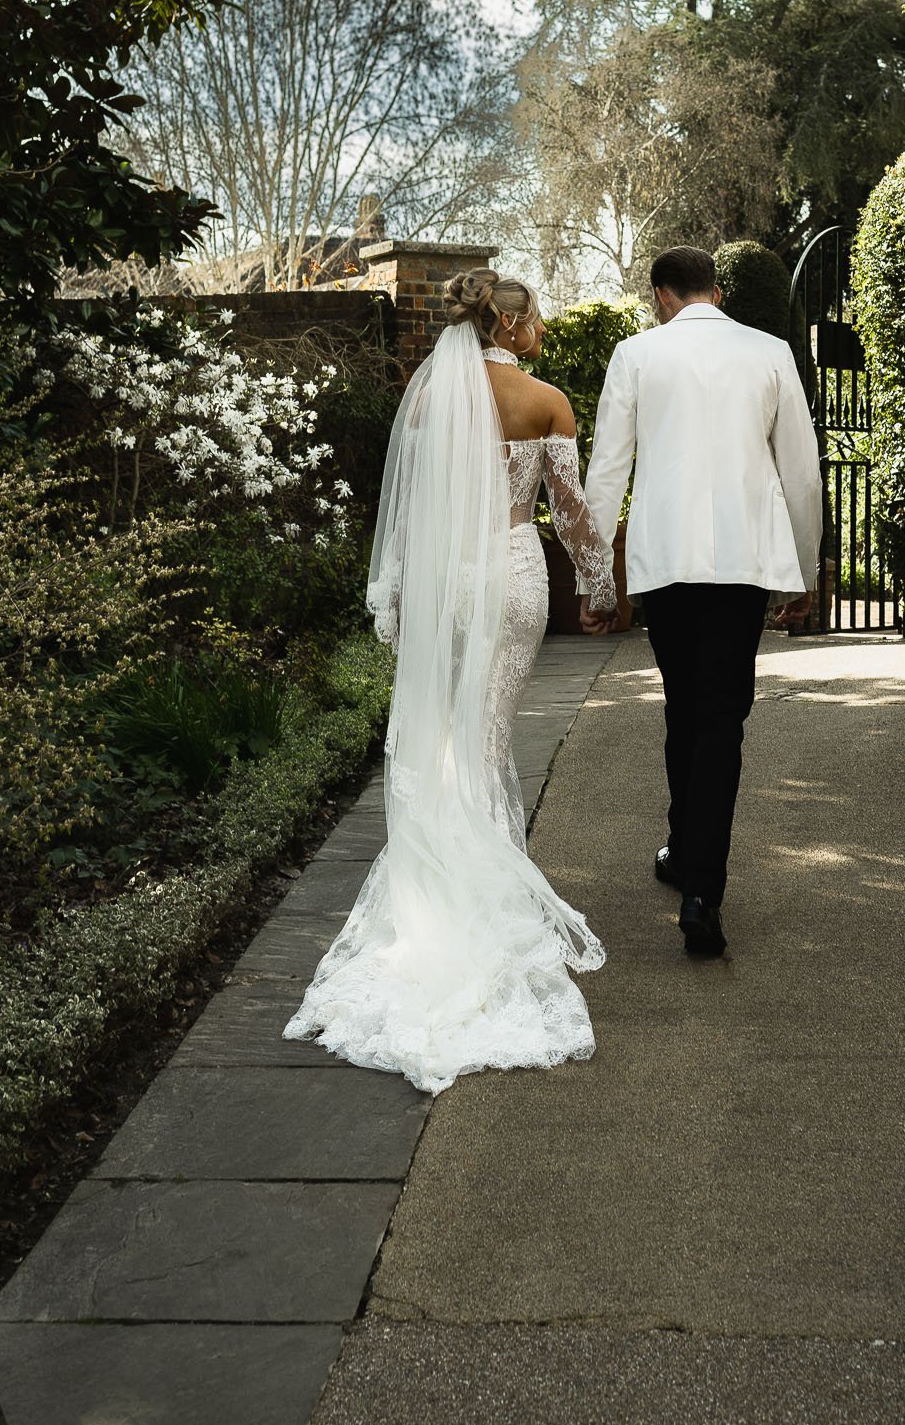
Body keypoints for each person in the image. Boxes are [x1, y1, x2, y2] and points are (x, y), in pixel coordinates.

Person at [284, 270, 619, 1091]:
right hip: (508, 575)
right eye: (534, 317)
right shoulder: (546, 401)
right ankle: (486, 909)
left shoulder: (430, 400)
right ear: (511, 326)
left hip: (443, 581)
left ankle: (440, 897)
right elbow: (569, 509)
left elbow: (405, 509)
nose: (539, 329)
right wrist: (599, 582)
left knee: (447, 740)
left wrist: (396, 593)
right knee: (490, 737)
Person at [582, 245, 822, 959]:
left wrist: (598, 582)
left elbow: (606, 472)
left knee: (684, 706)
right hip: (742, 562)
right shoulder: (771, 350)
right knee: (721, 719)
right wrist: (802, 572)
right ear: (715, 291)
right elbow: (801, 473)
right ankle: (700, 891)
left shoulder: (634, 354)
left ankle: (685, 852)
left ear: (660, 295)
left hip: (664, 563)